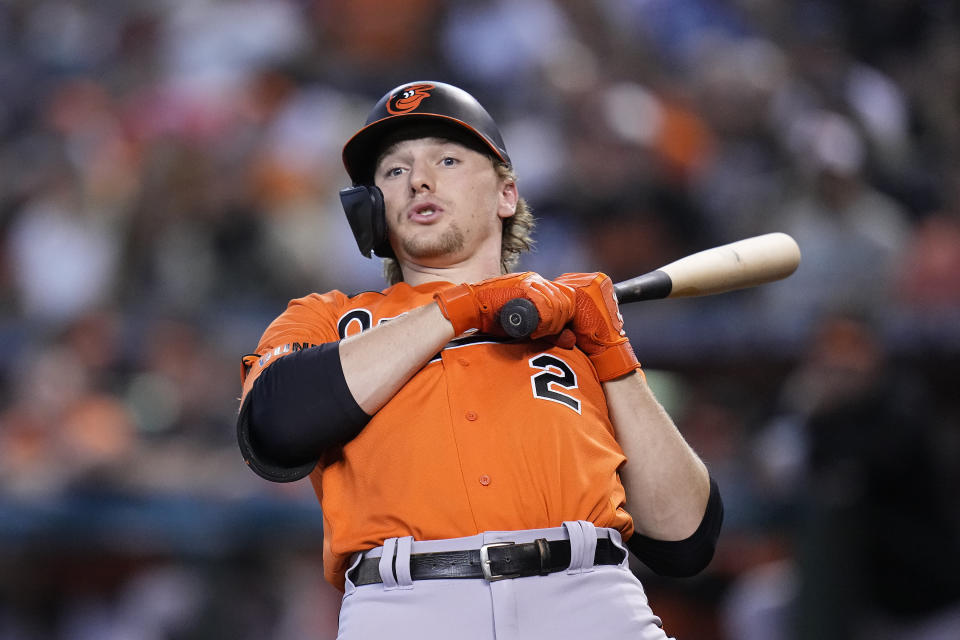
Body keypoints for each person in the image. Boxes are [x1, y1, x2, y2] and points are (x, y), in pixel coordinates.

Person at [236, 81, 723, 639]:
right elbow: (272, 427)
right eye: (394, 171)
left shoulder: (574, 326)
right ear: (370, 211)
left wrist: (613, 351)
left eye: (447, 159)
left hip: (589, 597)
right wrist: (466, 305)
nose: (419, 179)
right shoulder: (330, 319)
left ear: (506, 194)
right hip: (409, 607)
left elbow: (686, 540)